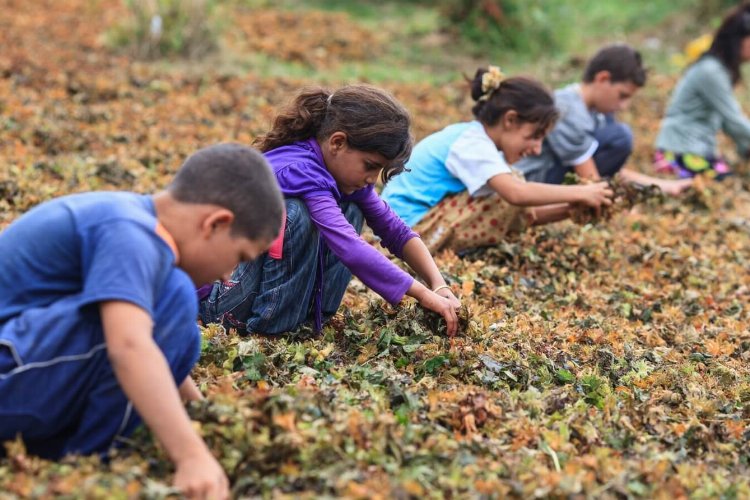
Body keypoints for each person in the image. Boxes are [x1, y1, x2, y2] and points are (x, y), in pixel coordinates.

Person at [0, 144, 285, 499]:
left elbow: (161, 353)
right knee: (175, 297)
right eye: (238, 257)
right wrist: (191, 455)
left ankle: (75, 451)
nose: (229, 274)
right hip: (9, 375)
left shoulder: (131, 220)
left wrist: (202, 415)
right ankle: (86, 463)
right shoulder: (130, 233)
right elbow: (129, 345)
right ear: (215, 223)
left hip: (25, 369)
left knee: (176, 318)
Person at [199, 85, 462, 337]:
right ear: (337, 142)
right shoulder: (300, 170)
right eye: (369, 166)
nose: (372, 179)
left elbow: (396, 231)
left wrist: (438, 284)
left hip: (250, 291)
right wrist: (423, 295)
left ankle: (309, 317)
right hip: (220, 300)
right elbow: (350, 246)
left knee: (352, 207)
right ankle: (270, 329)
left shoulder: (342, 175)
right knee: (296, 215)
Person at [380, 68, 614, 254]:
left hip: (412, 225)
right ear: (510, 119)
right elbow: (516, 196)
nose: (536, 149)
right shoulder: (472, 143)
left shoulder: (480, 142)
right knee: (509, 191)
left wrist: (570, 209)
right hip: (404, 230)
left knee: (508, 190)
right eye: (534, 136)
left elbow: (522, 209)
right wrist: (580, 193)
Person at [515, 44, 693, 194]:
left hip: (558, 175)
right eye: (622, 95)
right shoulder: (568, 110)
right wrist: (612, 205)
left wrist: (663, 186)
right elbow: (590, 178)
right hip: (534, 181)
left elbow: (607, 170)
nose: (624, 106)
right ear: (602, 78)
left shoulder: (596, 113)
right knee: (620, 137)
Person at [655, 3, 750, 180]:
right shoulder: (711, 71)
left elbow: (729, 124)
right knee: (726, 187)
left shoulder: (720, 70)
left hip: (699, 149)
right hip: (680, 151)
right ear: (738, 39)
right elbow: (734, 120)